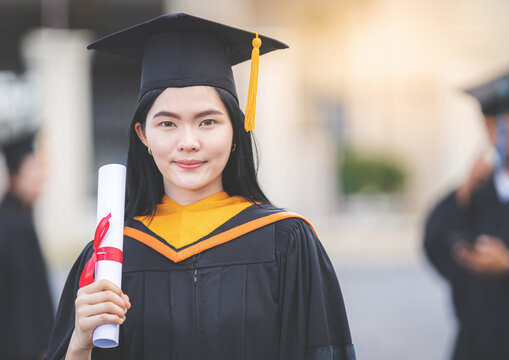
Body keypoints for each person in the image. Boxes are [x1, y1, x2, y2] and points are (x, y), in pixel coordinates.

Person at [46, 13, 356, 360]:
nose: (188, 142)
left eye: (208, 121)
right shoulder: (108, 257)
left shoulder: (285, 242)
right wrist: (79, 346)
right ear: (143, 135)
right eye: (167, 123)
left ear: (235, 132)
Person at [424, 69, 509, 360]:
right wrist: (463, 193)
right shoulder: (478, 190)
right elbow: (434, 243)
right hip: (474, 344)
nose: (494, 139)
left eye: (503, 130)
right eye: (487, 128)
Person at [0, 131, 54, 360]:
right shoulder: (15, 225)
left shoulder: (15, 215)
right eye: (32, 171)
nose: (40, 178)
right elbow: (25, 299)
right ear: (14, 176)